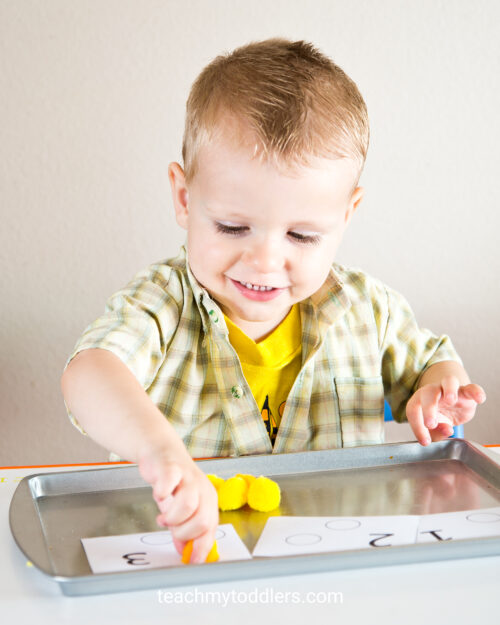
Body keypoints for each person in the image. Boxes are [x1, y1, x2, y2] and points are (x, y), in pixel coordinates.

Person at [60, 38, 486, 563]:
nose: (264, 261)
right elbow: (88, 375)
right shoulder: (162, 304)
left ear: (346, 216)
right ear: (184, 197)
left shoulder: (367, 309)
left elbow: (429, 362)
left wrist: (437, 387)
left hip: (332, 559)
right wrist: (161, 453)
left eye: (302, 236)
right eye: (232, 226)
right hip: (181, 558)